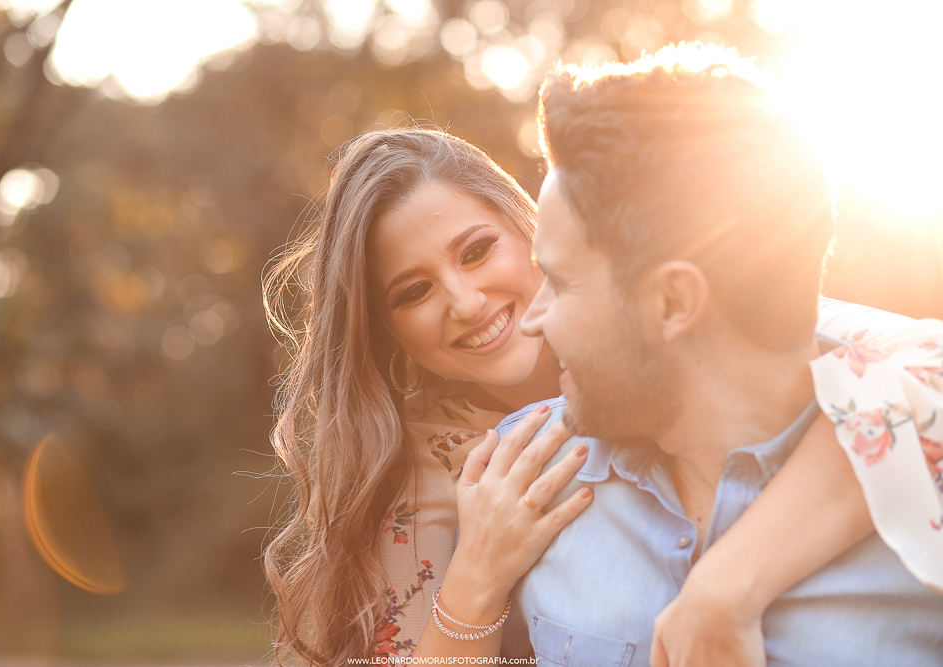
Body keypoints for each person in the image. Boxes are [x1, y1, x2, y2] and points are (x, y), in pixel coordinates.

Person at [262, 125, 941, 664]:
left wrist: (726, 583)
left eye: (475, 251)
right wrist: (475, 577)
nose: (465, 302)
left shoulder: (680, 325)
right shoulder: (424, 472)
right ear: (388, 331)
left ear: (529, 229)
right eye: (414, 292)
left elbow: (924, 364)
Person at [490, 43, 943, 666]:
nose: (533, 318)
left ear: (676, 300)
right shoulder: (519, 482)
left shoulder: (926, 484)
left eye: (561, 282)